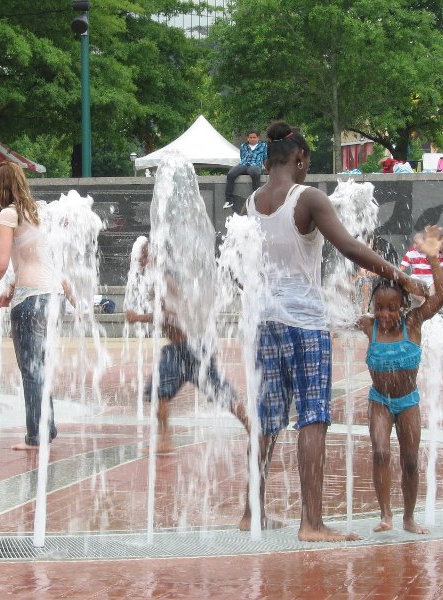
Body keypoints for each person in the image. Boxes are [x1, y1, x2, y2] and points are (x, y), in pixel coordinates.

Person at [238, 121, 427, 542]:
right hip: (305, 322)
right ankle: (312, 522)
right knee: (313, 418)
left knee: (267, 418)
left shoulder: (252, 202)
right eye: (308, 161)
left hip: (265, 320)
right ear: (299, 158)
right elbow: (349, 246)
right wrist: (402, 276)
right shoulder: (307, 198)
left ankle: (252, 510)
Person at [357, 224, 443, 535]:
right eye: (379, 308)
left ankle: (409, 517)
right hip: (379, 401)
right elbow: (334, 314)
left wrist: (434, 257)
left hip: (408, 401)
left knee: (410, 461)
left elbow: (442, 295)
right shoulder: (368, 326)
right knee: (381, 452)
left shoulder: (414, 322)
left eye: (391, 307)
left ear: (403, 306)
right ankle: (386, 514)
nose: (385, 314)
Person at [124, 241, 249, 453]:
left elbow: (173, 314)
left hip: (190, 348)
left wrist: (139, 318)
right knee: (159, 391)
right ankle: (165, 439)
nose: (140, 261)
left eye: (143, 256)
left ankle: (252, 425)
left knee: (218, 392)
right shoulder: (159, 279)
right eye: (139, 256)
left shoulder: (165, 279)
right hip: (181, 349)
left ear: (154, 255)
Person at [0, 161, 64, 451]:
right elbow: (34, 258)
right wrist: (10, 291)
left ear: (2, 186)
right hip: (52, 298)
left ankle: (35, 437)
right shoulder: (35, 212)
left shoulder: (8, 213)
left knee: (31, 370)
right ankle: (46, 429)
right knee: (42, 367)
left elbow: (0, 263)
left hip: (31, 300)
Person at [223, 130, 266, 212]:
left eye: (254, 137)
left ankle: (256, 200)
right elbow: (242, 157)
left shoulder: (263, 145)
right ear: (248, 138)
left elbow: (265, 158)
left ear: (258, 138)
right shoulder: (243, 146)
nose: (252, 139)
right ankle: (229, 200)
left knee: (255, 173)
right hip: (244, 164)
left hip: (255, 165)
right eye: (250, 137)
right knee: (231, 174)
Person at [399, 231, 443, 303]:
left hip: (430, 277)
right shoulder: (411, 252)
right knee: (408, 283)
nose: (414, 246)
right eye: (413, 243)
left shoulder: (434, 252)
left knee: (434, 284)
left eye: (417, 243)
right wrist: (393, 275)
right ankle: (427, 305)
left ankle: (426, 305)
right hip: (417, 277)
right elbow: (402, 268)